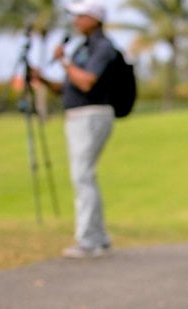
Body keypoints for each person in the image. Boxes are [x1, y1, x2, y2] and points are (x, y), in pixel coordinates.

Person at [32, 0, 116, 259]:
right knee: (84, 176)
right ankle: (98, 236)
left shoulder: (103, 47)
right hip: (77, 114)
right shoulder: (82, 47)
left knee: (82, 176)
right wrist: (42, 78)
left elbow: (87, 82)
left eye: (81, 17)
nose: (76, 22)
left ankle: (88, 241)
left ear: (95, 18)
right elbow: (67, 87)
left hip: (92, 114)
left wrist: (64, 62)